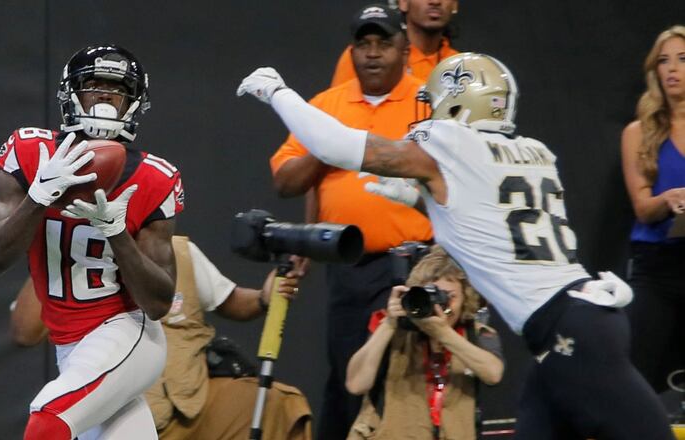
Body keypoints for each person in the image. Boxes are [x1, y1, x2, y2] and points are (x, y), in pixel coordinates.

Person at [238, 52, 675, 438]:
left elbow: (335, 145)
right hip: (578, 321)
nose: (430, 114)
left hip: (570, 331)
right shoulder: (534, 152)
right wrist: (418, 199)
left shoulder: (452, 144)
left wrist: (279, 94)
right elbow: (490, 228)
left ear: (460, 100)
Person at [0, 44, 184, 440]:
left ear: (134, 103)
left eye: (117, 88)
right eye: (94, 84)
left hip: (125, 332)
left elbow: (159, 303)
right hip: (69, 345)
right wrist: (39, 196)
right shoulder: (29, 152)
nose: (105, 96)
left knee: (48, 420)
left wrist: (117, 233)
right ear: (70, 94)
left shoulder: (155, 177)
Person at [269, 5, 433, 437]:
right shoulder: (327, 106)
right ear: (352, 51)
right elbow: (286, 180)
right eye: (364, 44)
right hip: (347, 266)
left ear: (405, 51)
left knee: (399, 378)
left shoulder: (427, 102)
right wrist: (327, 147)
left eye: (384, 43)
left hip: (414, 264)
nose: (373, 54)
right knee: (348, 372)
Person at [10, 236, 313, 440]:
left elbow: (229, 300)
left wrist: (263, 297)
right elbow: (25, 332)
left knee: (282, 404)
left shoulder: (177, 250)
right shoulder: (64, 261)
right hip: (125, 401)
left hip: (194, 398)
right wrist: (53, 255)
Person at [345, 245, 503, 440]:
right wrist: (389, 324)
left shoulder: (475, 333)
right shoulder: (391, 328)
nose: (440, 305)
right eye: (431, 295)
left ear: (465, 298)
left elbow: (493, 374)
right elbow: (356, 384)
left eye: (450, 297)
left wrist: (444, 333)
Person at [621, 25, 685, 394]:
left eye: (681, 59)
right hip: (657, 266)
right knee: (638, 375)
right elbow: (643, 208)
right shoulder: (638, 132)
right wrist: (669, 199)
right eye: (664, 61)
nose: (672, 68)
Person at [330, 0, 459, 87]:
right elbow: (340, 111)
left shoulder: (462, 64)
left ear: (454, 4)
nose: (435, 1)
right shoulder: (366, 56)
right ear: (403, 2)